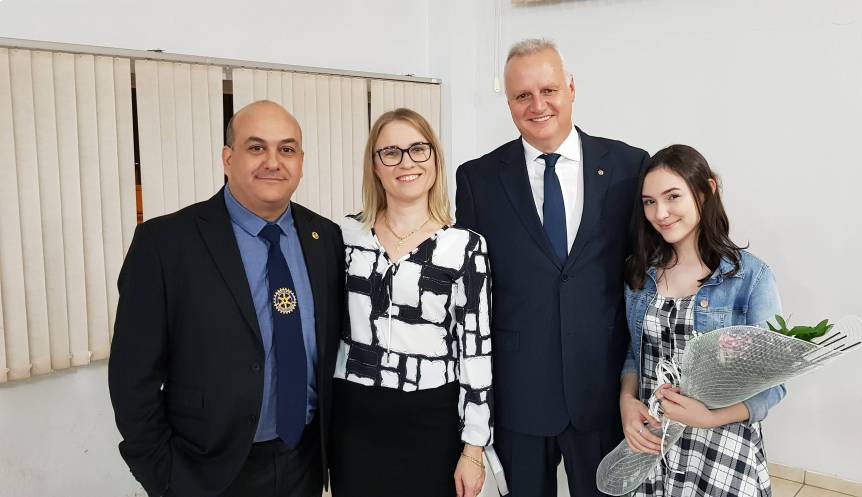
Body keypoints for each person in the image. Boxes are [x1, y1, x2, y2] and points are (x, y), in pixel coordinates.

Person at [108, 100, 346, 497]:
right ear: (228, 158)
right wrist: (165, 478)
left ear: (301, 162)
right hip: (206, 471)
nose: (273, 162)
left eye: (287, 149)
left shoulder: (326, 238)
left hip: (303, 462)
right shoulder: (165, 244)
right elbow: (132, 377)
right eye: (256, 147)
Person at [455, 38, 649, 497]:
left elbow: (645, 268)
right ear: (508, 103)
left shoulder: (628, 166)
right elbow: (472, 295)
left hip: (601, 390)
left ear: (571, 88)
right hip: (518, 394)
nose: (537, 105)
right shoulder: (478, 179)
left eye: (548, 90)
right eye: (522, 95)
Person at [330, 108, 493, 497]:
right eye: (391, 152)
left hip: (431, 419)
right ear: (375, 166)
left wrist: (473, 448)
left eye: (419, 149)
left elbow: (476, 350)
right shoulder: (344, 236)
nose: (406, 162)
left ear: (435, 158)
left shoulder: (465, 246)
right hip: (354, 419)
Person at [619, 144, 786, 497]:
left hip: (719, 447)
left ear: (706, 191)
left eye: (672, 197)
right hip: (654, 439)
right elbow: (635, 353)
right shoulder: (639, 275)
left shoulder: (750, 278)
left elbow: (774, 383)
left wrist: (710, 417)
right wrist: (626, 400)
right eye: (649, 201)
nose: (660, 213)